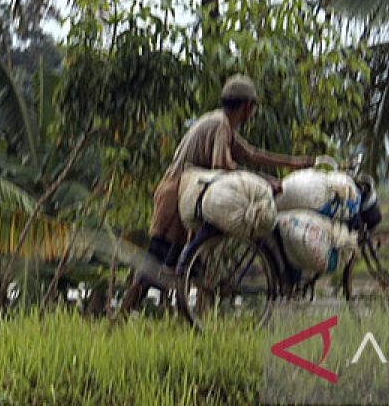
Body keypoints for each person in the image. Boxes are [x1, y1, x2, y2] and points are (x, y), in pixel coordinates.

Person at [120, 74, 316, 312]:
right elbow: (221, 165)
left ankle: (175, 316)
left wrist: (296, 163)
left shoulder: (220, 122)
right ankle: (122, 314)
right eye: (251, 108)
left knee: (177, 263)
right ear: (246, 106)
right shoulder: (221, 125)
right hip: (176, 192)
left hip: (184, 190)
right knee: (157, 260)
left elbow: (251, 154)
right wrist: (263, 180)